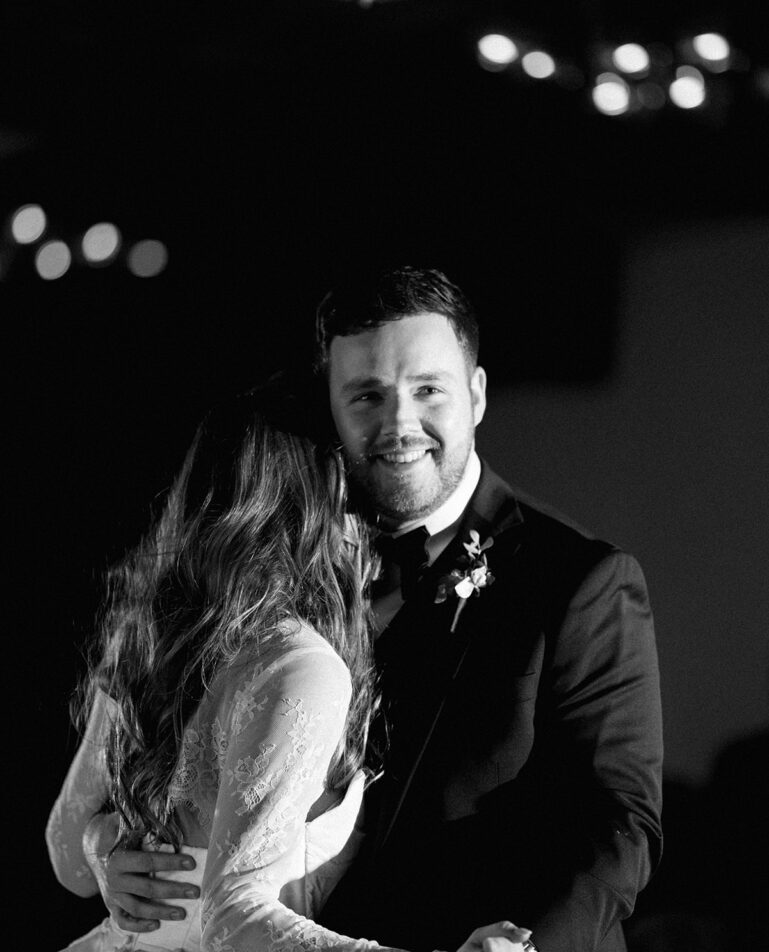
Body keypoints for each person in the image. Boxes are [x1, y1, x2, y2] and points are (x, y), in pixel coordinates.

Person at [79, 267, 664, 952]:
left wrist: (530, 945)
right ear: (329, 407)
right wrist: (112, 855)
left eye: (426, 391)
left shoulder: (581, 580)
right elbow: (171, 768)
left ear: (474, 396)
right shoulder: (270, 566)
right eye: (366, 395)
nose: (398, 424)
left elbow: (617, 821)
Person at [47, 387, 532, 952]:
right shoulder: (301, 667)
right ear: (324, 491)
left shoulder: (150, 633)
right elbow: (235, 917)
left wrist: (100, 849)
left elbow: (65, 854)